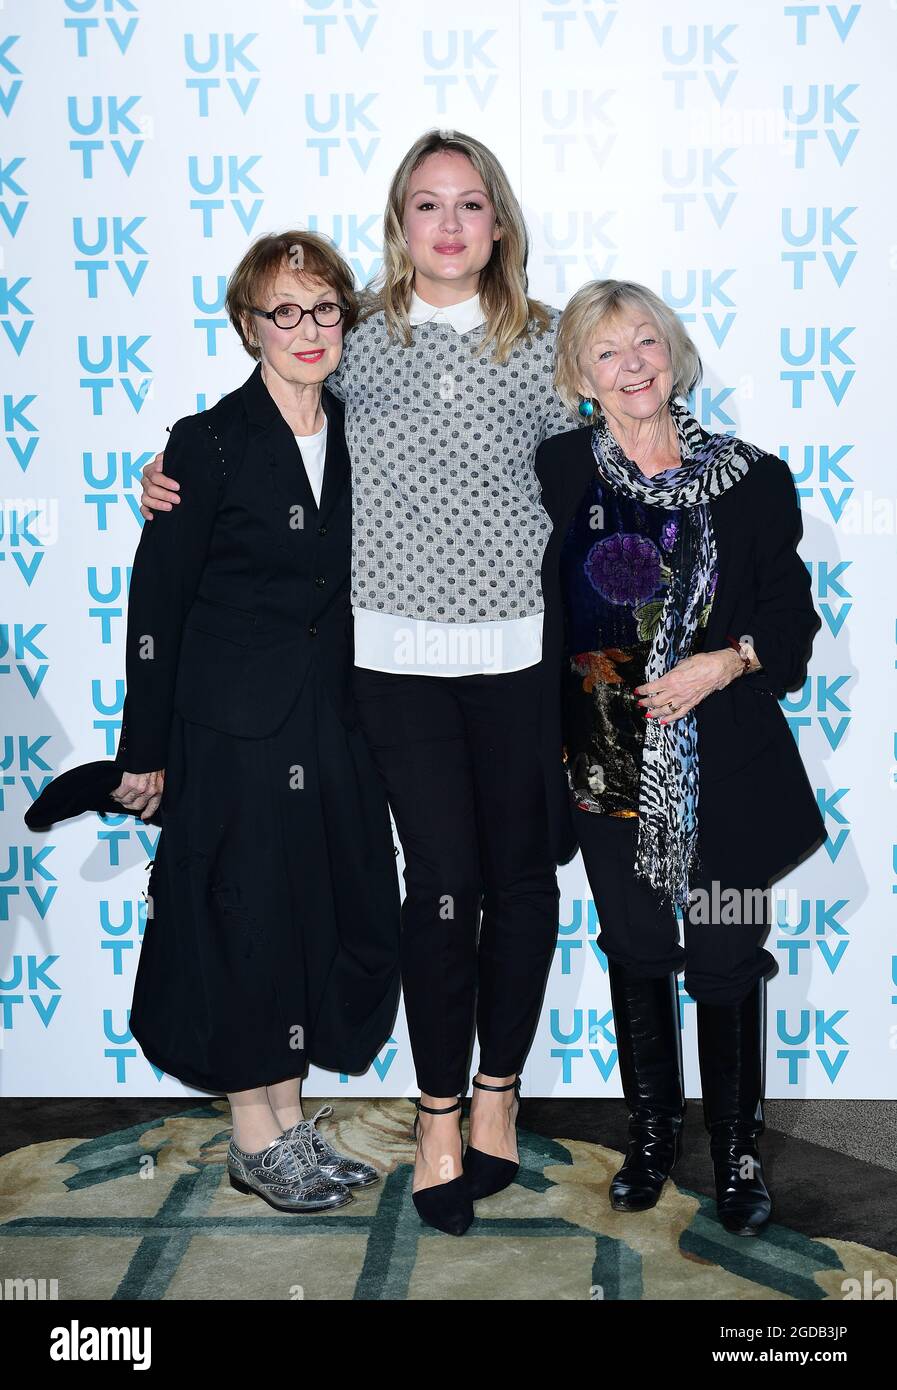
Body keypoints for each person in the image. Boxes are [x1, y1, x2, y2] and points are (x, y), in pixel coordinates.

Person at [137, 130, 583, 1237]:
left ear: (498, 222)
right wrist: (171, 477)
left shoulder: (547, 342)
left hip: (521, 658)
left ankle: (496, 1104)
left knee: (521, 885)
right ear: (398, 224)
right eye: (425, 205)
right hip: (388, 670)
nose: (448, 225)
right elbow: (260, 423)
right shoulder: (362, 335)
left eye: (469, 204)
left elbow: (609, 460)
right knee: (436, 886)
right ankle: (435, 1121)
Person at [110, 229, 401, 1213]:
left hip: (332, 723)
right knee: (241, 918)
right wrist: (144, 749)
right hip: (231, 731)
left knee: (307, 916)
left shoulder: (365, 430)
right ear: (249, 326)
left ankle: (289, 1122)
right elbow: (158, 603)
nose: (308, 328)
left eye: (324, 308)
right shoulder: (211, 442)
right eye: (285, 310)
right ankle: (251, 1134)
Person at [536, 279, 826, 1236]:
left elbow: (790, 619)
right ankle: (653, 1137)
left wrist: (720, 663)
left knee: (727, 955)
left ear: (675, 354)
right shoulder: (555, 471)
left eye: (647, 343)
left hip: (724, 768)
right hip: (603, 769)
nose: (633, 366)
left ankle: (737, 1153)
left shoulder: (753, 478)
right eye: (608, 352)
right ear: (580, 374)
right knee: (634, 949)